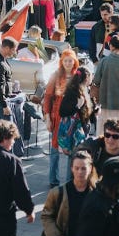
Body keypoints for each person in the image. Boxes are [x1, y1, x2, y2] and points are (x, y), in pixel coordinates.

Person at [40, 150, 96, 236]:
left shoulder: (96, 194)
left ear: (90, 169)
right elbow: (46, 216)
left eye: (83, 168)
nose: (80, 172)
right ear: (71, 169)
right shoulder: (58, 192)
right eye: (77, 168)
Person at [44, 49, 80, 187]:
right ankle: (53, 180)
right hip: (57, 115)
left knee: (72, 150)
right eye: (65, 60)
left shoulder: (78, 76)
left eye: (70, 60)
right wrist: (47, 117)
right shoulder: (56, 75)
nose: (68, 63)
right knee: (55, 150)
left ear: (74, 61)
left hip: (73, 117)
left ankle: (69, 181)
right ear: (61, 62)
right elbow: (47, 97)